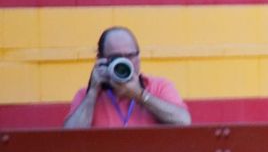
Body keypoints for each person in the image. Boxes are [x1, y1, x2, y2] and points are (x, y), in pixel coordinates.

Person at [62, 26, 191, 127]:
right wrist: (92, 94)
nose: (124, 62)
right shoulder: (87, 95)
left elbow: (183, 121)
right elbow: (69, 138)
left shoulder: (159, 87)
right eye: (116, 57)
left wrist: (140, 95)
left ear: (139, 57)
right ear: (101, 60)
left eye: (130, 56)